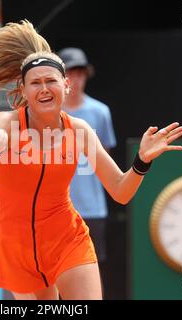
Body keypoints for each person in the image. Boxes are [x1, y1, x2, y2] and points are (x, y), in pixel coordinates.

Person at [0, 20, 182, 300]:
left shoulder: (79, 130)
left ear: (66, 85)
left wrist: (142, 160)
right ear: (23, 89)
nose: (44, 88)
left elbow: (120, 191)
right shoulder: (4, 123)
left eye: (51, 81)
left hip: (66, 240)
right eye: (35, 83)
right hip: (16, 248)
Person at [57, 47, 116, 267]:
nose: (75, 79)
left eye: (80, 73)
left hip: (92, 209)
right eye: (70, 73)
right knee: (56, 270)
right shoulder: (46, 113)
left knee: (89, 268)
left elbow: (104, 161)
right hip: (57, 209)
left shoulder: (100, 112)